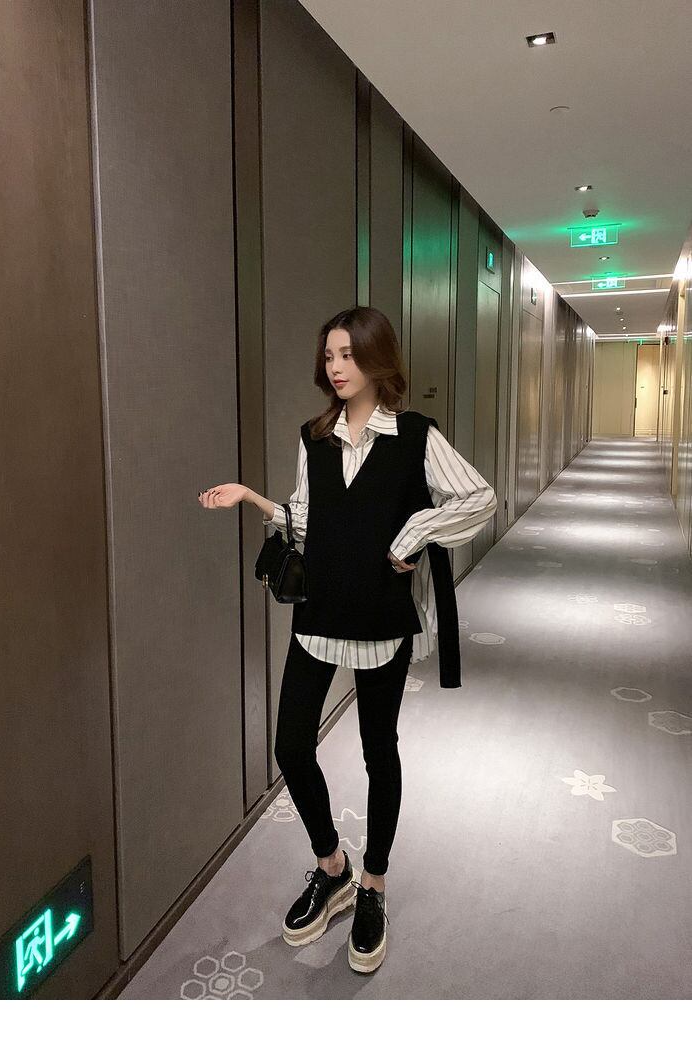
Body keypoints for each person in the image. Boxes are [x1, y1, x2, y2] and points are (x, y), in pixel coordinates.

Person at [198, 306, 496, 974]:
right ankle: (333, 866)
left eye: (347, 354)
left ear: (376, 357)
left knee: (377, 753)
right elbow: (307, 522)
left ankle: (373, 886)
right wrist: (252, 498)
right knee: (290, 746)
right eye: (329, 355)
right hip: (320, 615)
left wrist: (413, 535)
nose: (335, 367)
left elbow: (478, 498)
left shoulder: (414, 435)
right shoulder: (314, 438)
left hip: (380, 620)